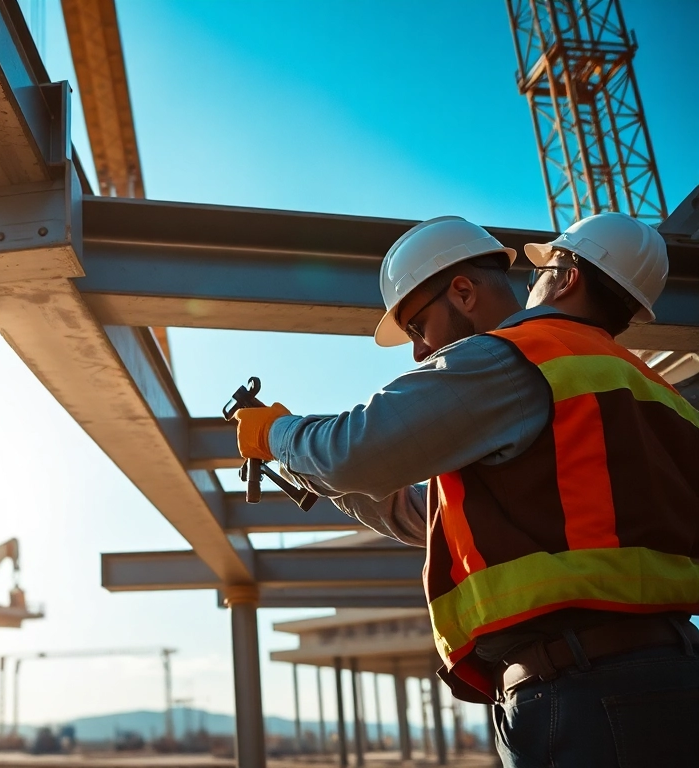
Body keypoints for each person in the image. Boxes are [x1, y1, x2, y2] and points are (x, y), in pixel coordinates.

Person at [234, 213, 699, 766]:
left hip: (579, 687)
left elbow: (351, 449)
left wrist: (277, 434)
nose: (416, 351)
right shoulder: (657, 394)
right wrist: (323, 476)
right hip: (669, 671)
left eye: (416, 327)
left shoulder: (516, 355)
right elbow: (422, 514)